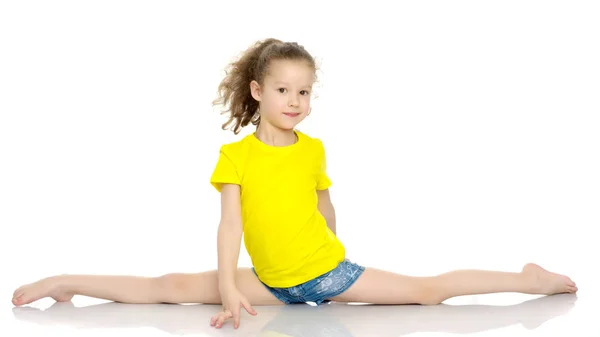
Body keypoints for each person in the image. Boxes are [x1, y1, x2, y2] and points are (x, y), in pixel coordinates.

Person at [11, 38, 578, 330]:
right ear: (258, 92)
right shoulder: (236, 156)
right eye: (284, 90)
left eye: (304, 92)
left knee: (428, 291)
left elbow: (325, 207)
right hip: (270, 282)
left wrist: (333, 257)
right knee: (166, 283)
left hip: (325, 273)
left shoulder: (313, 149)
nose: (296, 102)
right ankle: (65, 281)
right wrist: (233, 289)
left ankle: (523, 277)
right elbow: (231, 223)